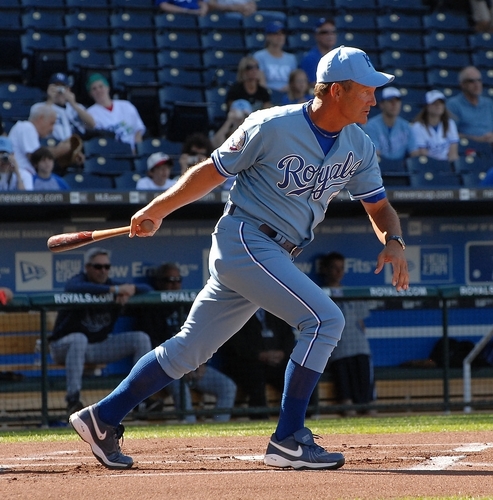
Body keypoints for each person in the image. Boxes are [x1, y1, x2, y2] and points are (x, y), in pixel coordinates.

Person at [69, 46, 409, 472]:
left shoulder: (358, 143)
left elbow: (379, 207)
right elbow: (210, 172)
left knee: (188, 352)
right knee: (325, 321)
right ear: (337, 91)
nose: (374, 99)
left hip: (274, 254)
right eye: (367, 90)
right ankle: (288, 439)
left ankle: (102, 417)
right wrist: (158, 208)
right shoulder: (271, 125)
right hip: (247, 238)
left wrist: (393, 239)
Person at [48, 247, 153, 416]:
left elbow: (147, 289)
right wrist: (115, 291)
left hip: (96, 347)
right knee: (79, 339)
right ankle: (72, 400)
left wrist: (131, 289)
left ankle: (141, 400)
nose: (102, 271)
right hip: (63, 347)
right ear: (87, 267)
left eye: (106, 267)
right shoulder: (79, 281)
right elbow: (73, 287)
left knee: (140, 339)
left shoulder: (111, 284)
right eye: (98, 267)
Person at [137, 262, 237, 423]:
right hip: (169, 367)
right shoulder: (150, 307)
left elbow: (206, 335)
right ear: (159, 282)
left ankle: (217, 430)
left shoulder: (190, 304)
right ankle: (189, 427)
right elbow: (155, 345)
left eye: (177, 280)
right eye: (169, 280)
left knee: (228, 387)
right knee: (181, 389)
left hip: (195, 365)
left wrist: (201, 362)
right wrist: (182, 363)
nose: (174, 284)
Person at [318, 252, 375, 417]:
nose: (338, 272)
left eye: (341, 268)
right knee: (347, 403)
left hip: (358, 346)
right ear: (326, 270)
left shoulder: (352, 292)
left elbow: (361, 323)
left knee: (368, 403)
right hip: (338, 349)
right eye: (334, 268)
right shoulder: (320, 293)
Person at [217, 308, 295, 419]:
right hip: (247, 364)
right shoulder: (239, 313)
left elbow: (288, 336)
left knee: (298, 374)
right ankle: (260, 419)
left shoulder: (275, 310)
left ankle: (302, 417)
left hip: (276, 362)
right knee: (256, 378)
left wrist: (282, 353)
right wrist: (259, 355)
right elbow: (237, 345)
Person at [8, 105, 67, 188]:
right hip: (20, 178)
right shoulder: (27, 127)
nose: (52, 129)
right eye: (51, 123)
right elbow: (37, 157)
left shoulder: (28, 129)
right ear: (41, 118)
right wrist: (61, 150)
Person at [86, 73, 146, 153]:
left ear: (108, 88)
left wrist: (137, 151)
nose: (98, 91)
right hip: (110, 153)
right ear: (90, 94)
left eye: (101, 86)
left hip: (132, 151)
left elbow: (138, 131)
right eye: (94, 89)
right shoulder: (90, 113)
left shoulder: (126, 105)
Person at [30, 73, 95, 143]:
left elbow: (92, 125)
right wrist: (50, 100)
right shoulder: (39, 107)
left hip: (76, 146)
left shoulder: (77, 107)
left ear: (69, 89)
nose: (60, 91)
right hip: (52, 144)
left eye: (63, 86)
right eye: (56, 86)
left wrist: (74, 104)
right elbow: (37, 128)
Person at [363, 87, 420, 162]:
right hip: (380, 167)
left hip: (402, 169)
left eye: (397, 101)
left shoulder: (406, 126)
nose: (394, 104)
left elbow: (414, 152)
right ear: (382, 104)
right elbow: (374, 154)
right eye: (390, 101)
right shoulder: (372, 126)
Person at [447, 66, 493, 146]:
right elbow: (450, 134)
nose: (477, 84)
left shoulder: (489, 103)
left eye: (479, 80)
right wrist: (476, 139)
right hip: (467, 147)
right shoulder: (453, 105)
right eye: (471, 81)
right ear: (462, 84)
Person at [411, 90, 459, 162]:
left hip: (447, 165)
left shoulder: (450, 123)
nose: (438, 105)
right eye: (434, 103)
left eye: (441, 103)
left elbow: (453, 152)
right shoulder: (418, 127)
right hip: (428, 164)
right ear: (427, 106)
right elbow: (422, 152)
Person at [253, 21, 298, 94]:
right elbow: (261, 82)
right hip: (267, 95)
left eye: (282, 33)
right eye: (276, 34)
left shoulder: (291, 58)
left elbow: (294, 81)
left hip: (288, 96)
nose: (280, 37)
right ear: (268, 36)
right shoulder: (259, 56)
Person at [300, 18, 338, 88]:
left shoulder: (340, 57)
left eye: (333, 32)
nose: (330, 35)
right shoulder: (310, 58)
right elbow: (313, 84)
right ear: (317, 35)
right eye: (325, 32)